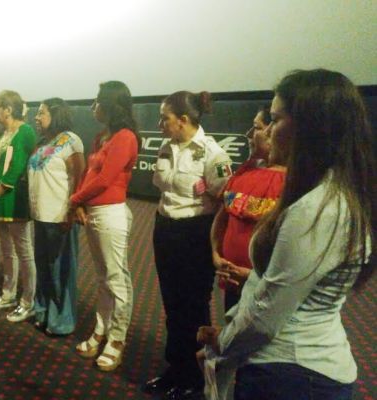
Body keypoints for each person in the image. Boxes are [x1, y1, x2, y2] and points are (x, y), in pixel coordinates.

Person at [198, 69, 375, 400]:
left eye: (275, 119)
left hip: (293, 375)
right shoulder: (321, 195)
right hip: (288, 369)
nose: (266, 131)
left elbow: (266, 315)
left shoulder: (319, 209)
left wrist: (221, 345)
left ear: (309, 129)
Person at [143, 91, 232, 399]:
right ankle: (175, 368)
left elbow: (225, 202)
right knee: (172, 304)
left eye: (164, 118)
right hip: (165, 228)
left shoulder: (213, 154)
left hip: (195, 233)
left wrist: (215, 246)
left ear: (183, 120)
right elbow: (163, 187)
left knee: (193, 306)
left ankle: (194, 375)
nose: (159, 124)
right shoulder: (166, 147)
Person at [70, 81, 139, 372]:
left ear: (111, 104)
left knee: (116, 279)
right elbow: (89, 174)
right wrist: (80, 203)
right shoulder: (102, 137)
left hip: (111, 215)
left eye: (98, 100)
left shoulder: (125, 137)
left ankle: (117, 339)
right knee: (102, 278)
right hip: (94, 213)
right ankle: (101, 330)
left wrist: (73, 200)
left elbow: (105, 179)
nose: (93, 106)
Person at [211, 107, 287, 311]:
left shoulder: (294, 184)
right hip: (230, 279)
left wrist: (253, 276)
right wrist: (216, 255)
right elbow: (222, 218)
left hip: (266, 290)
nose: (249, 134)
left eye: (256, 127)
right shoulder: (245, 171)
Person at [28, 98, 85, 336]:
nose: (36, 117)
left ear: (56, 114)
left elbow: (79, 177)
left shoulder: (71, 140)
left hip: (60, 216)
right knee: (43, 267)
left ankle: (61, 320)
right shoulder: (42, 142)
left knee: (60, 270)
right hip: (40, 215)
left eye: (41, 113)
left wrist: (72, 210)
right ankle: (43, 312)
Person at [0, 90, 38, 323]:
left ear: (8, 109)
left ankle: (28, 302)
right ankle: (8, 294)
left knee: (24, 252)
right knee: (7, 251)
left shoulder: (25, 131)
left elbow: (17, 168)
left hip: (14, 200)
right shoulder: (4, 133)